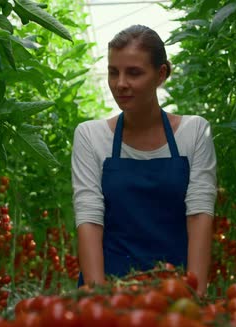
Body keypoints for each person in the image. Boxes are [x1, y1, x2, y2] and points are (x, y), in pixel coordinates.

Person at [71, 25, 217, 295]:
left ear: (161, 74)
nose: (120, 83)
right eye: (113, 72)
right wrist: (97, 299)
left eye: (134, 73)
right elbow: (89, 218)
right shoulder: (90, 136)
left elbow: (199, 215)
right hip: (110, 289)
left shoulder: (194, 132)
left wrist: (195, 296)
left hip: (175, 291)